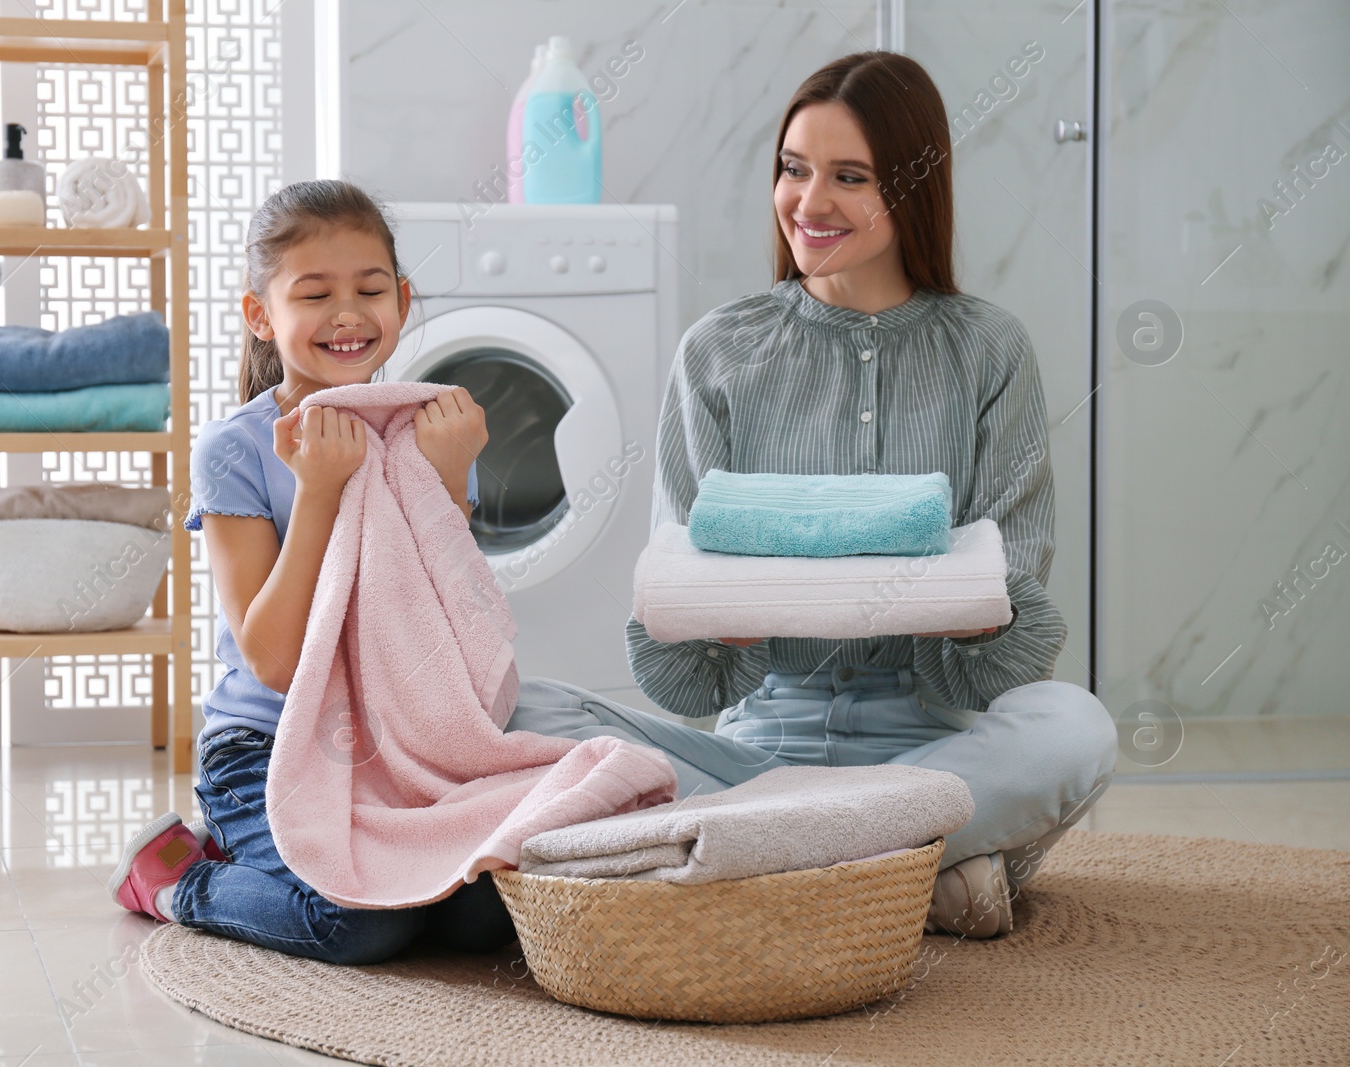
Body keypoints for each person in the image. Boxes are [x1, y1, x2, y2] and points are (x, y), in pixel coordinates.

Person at [609, 50, 1118, 937]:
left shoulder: (991, 351)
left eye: (850, 177)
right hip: (760, 743)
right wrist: (708, 615)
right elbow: (683, 648)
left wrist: (972, 611)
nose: (809, 203)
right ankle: (922, 864)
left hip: (936, 743)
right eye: (794, 170)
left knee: (1076, 728)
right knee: (549, 721)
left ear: (914, 186)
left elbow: (1012, 611)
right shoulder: (718, 351)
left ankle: (773, 860)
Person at [107, 178, 519, 964]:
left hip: (393, 746)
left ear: (401, 299)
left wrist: (451, 481)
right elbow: (271, 657)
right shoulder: (236, 449)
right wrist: (319, 490)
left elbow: (451, 623)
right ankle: (176, 878)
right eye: (314, 293)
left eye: (370, 288)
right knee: (361, 925)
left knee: (485, 915)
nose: (347, 313)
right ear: (261, 315)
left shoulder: (427, 427)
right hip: (263, 747)